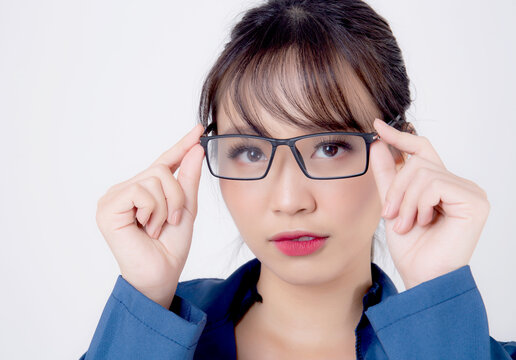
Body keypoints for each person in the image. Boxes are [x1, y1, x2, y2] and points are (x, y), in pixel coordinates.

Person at [80, 0, 516, 359]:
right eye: (250, 151)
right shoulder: (148, 339)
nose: (289, 200)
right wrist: (144, 298)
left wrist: (436, 297)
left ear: (400, 154)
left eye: (330, 147)